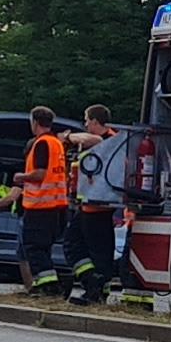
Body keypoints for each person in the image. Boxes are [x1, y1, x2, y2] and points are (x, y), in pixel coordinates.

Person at [64, 103, 128, 304]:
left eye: (86, 120)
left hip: (97, 206)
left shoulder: (107, 140)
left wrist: (66, 137)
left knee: (88, 249)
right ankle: (94, 285)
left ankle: (95, 289)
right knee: (81, 246)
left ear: (94, 121)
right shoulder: (112, 142)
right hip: (89, 204)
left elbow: (95, 140)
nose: (85, 124)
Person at [15, 105, 74, 293]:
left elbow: (40, 174)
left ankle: (49, 286)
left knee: (34, 248)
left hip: (40, 205)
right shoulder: (56, 143)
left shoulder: (41, 143)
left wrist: (21, 177)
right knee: (43, 247)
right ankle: (43, 286)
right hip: (57, 205)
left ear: (35, 122)